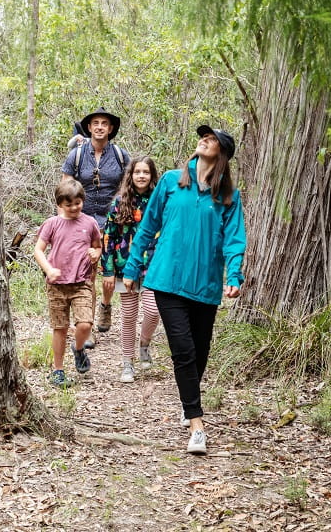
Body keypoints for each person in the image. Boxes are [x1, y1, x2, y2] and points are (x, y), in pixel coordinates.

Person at [123, 125, 245, 455]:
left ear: (223, 153)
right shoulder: (171, 182)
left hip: (205, 284)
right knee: (183, 350)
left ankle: (187, 399)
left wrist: (234, 275)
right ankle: (196, 423)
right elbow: (148, 227)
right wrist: (132, 268)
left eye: (213, 139)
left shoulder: (228, 196)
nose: (205, 139)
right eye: (203, 136)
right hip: (166, 280)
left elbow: (234, 240)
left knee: (200, 349)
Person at [61, 107, 129, 337]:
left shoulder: (121, 155)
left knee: (110, 273)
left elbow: (128, 185)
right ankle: (86, 324)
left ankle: (106, 306)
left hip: (113, 221)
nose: (100, 127)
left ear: (110, 128)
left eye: (104, 123)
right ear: (89, 128)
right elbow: (66, 189)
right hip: (83, 222)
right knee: (87, 274)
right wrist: (64, 221)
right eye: (95, 123)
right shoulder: (77, 155)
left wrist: (122, 210)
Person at [33, 179, 102, 387]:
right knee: (60, 328)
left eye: (77, 203)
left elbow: (98, 247)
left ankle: (79, 348)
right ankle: (58, 370)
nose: (74, 208)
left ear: (83, 201)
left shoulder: (89, 223)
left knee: (85, 323)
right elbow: (38, 250)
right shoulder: (52, 224)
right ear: (60, 204)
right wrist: (49, 269)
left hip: (81, 282)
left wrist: (95, 254)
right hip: (57, 284)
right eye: (68, 204)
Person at [100, 156, 161, 383]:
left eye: (146, 172)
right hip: (124, 266)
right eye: (137, 172)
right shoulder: (120, 202)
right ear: (131, 175)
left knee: (153, 310)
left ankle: (144, 344)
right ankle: (127, 362)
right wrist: (107, 270)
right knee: (128, 316)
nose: (142, 176)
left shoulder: (158, 201)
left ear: (152, 175)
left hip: (153, 266)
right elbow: (108, 236)